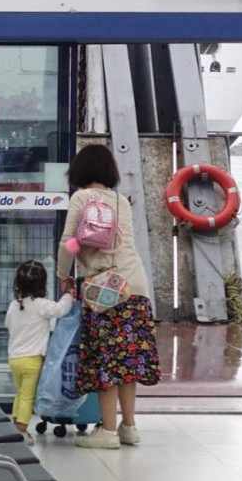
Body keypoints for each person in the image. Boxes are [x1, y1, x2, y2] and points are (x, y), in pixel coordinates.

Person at [56, 144, 159, 449]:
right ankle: (129, 427)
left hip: (106, 288)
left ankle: (108, 432)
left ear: (79, 170)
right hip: (135, 284)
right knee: (127, 361)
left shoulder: (81, 198)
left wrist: (64, 275)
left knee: (106, 360)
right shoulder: (120, 200)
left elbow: (69, 243)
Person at [3, 260, 74, 445]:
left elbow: (8, 324)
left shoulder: (14, 305)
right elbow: (60, 310)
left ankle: (15, 425)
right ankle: (22, 431)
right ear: (42, 283)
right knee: (28, 397)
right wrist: (69, 294)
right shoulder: (41, 304)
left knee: (20, 393)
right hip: (32, 360)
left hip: (14, 359)